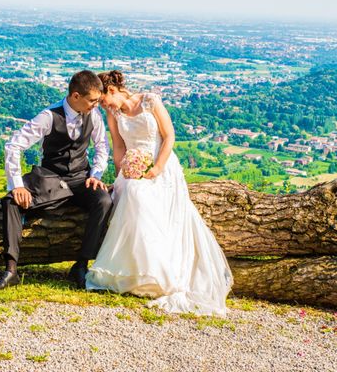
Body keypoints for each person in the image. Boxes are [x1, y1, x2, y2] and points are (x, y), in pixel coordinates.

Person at [85, 70, 233, 316]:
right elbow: (119, 146)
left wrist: (157, 167)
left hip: (160, 164)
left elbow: (169, 136)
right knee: (132, 192)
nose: (102, 105)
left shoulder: (150, 100)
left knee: (138, 197)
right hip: (133, 169)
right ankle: (138, 271)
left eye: (103, 100)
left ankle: (158, 273)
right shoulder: (113, 113)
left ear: (112, 91)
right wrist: (123, 173)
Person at [0, 70, 113, 290]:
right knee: (11, 201)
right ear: (75, 96)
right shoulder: (48, 116)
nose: (97, 104)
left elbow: (102, 146)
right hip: (50, 179)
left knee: (104, 201)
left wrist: (96, 175)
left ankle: (82, 264)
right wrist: (17, 185)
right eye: (92, 100)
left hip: (81, 178)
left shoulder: (93, 116)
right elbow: (13, 145)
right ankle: (11, 269)